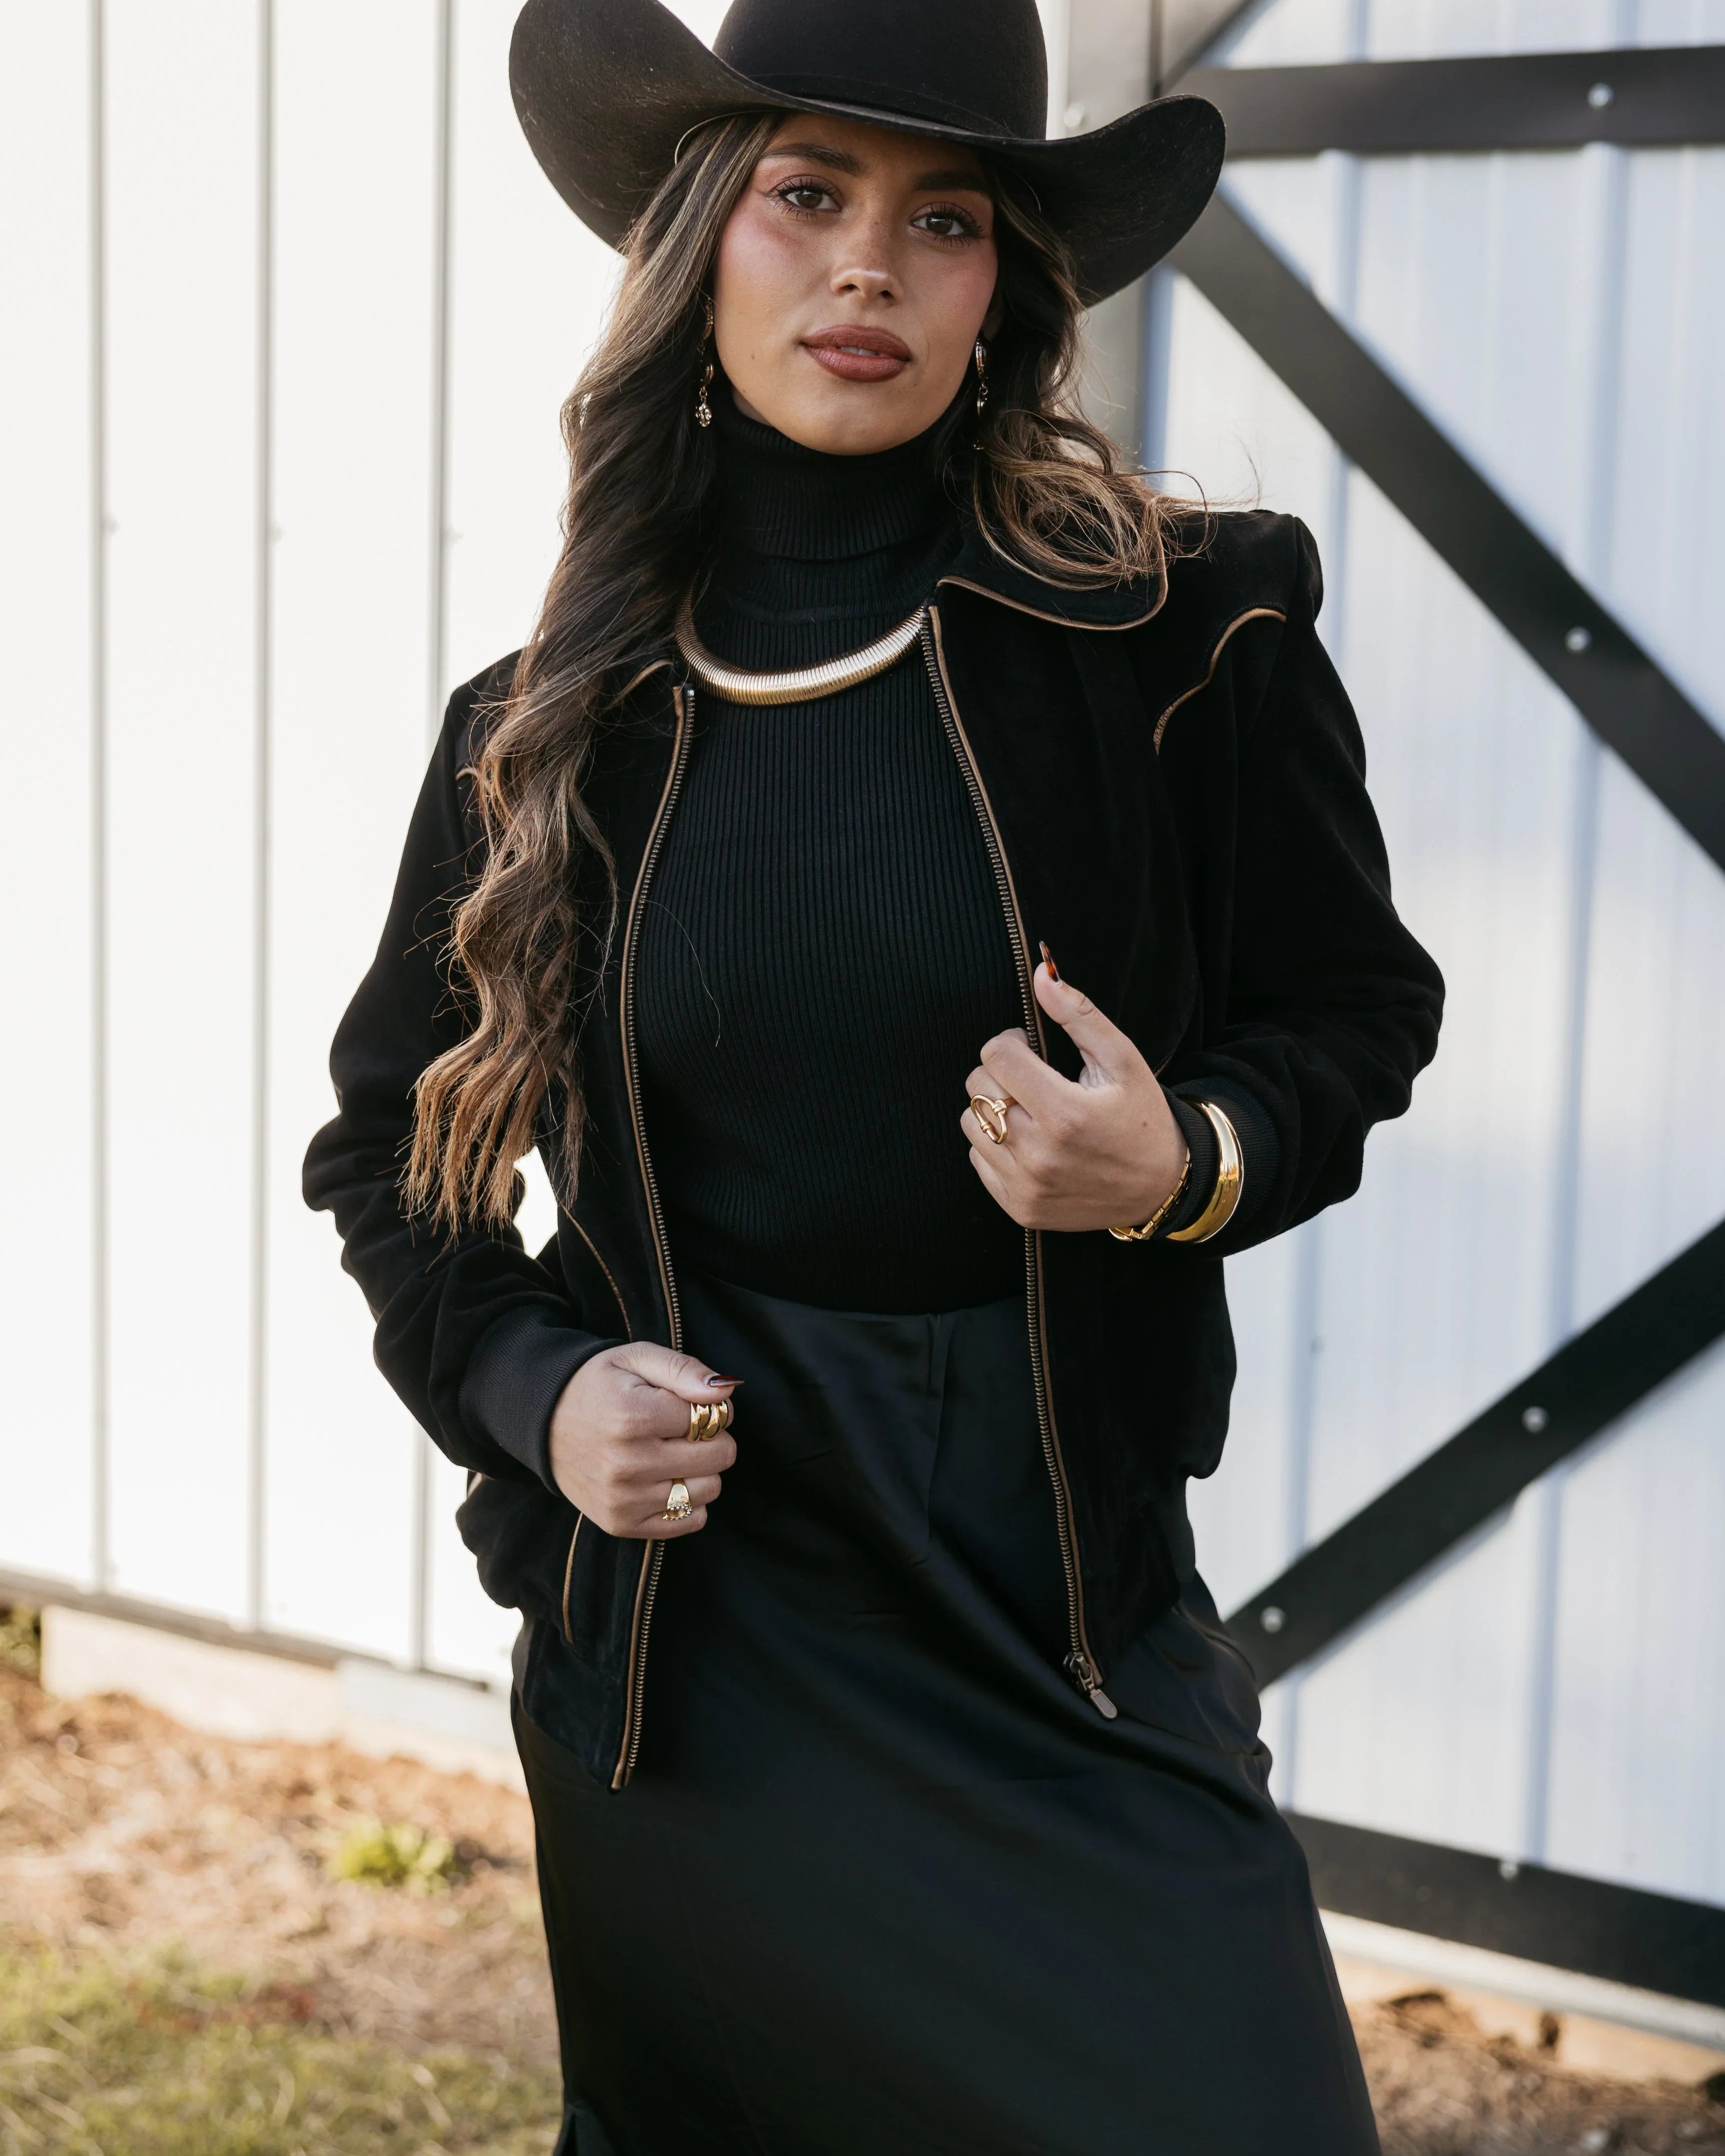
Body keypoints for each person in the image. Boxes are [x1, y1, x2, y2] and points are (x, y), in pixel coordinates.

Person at [306, 0, 1443, 2147]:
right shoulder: (540, 729)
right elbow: (391, 1155)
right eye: (805, 195)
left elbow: (1355, 1009)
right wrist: (539, 1390)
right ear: (695, 243)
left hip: (1062, 1615)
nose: (867, 266)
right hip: (702, 1640)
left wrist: (1184, 1160)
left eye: (943, 219)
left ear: (1003, 284)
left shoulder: (1185, 629)